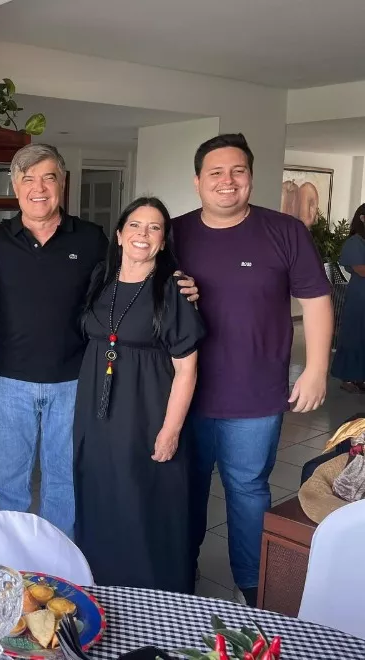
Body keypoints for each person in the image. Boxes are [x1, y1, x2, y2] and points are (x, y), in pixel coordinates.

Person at [0, 143, 198, 538]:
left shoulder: (90, 238)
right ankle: (10, 559)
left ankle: (58, 562)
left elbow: (131, 273)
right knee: (8, 482)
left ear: (62, 183)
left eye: (48, 177)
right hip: (9, 379)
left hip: (74, 380)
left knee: (64, 479)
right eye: (28, 179)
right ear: (15, 185)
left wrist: (177, 283)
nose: (38, 188)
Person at [173, 133, 333, 606]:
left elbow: (316, 300)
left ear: (250, 177)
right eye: (216, 172)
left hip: (255, 392)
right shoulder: (174, 233)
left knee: (247, 489)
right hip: (183, 392)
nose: (227, 181)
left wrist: (317, 369)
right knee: (185, 487)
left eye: (237, 171)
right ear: (197, 181)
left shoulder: (285, 231)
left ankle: (251, 583)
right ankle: (180, 568)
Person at [74, 197, 205, 593]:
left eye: (154, 228)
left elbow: (187, 369)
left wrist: (170, 431)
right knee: (100, 495)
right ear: (119, 234)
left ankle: (153, 596)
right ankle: (102, 587)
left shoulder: (173, 290)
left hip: (146, 412)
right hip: (97, 413)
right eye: (134, 225)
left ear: (163, 241)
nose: (142, 234)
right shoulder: (102, 277)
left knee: (143, 501)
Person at [331, 203, 365, 393]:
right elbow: (361, 269)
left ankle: (360, 376)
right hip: (360, 296)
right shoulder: (354, 242)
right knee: (354, 335)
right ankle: (348, 377)